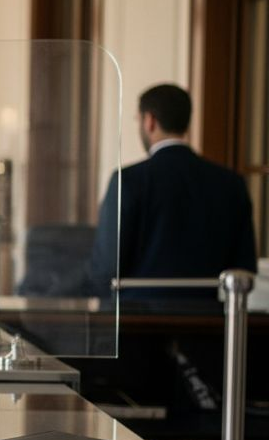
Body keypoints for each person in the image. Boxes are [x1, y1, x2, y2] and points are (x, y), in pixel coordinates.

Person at [87, 84, 257, 299]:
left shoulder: (127, 181)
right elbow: (244, 269)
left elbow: (106, 268)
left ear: (149, 121)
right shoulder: (231, 183)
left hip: (136, 315)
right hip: (208, 315)